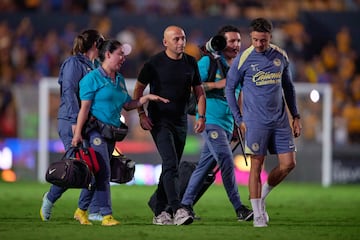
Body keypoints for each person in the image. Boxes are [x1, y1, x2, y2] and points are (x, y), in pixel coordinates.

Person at [71, 39, 169, 226]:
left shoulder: (119, 79)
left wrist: (145, 98)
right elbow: (84, 110)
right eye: (120, 54)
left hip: (111, 133)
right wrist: (77, 135)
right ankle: (106, 215)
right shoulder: (91, 79)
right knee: (104, 172)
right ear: (108, 55)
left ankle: (81, 210)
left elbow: (127, 104)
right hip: (95, 132)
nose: (124, 57)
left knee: (97, 172)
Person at [225, 18, 302, 227]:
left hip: (280, 120)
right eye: (256, 40)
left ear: (270, 37)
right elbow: (229, 89)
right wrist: (238, 119)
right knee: (256, 166)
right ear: (251, 37)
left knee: (289, 164)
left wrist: (295, 116)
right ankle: (258, 214)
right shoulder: (244, 59)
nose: (259, 44)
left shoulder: (280, 56)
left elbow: (289, 88)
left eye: (263, 41)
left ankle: (263, 194)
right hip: (254, 122)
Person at [133, 25, 206, 226]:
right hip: (159, 121)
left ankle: (159, 212)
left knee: (169, 166)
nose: (181, 42)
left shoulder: (191, 62)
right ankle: (177, 209)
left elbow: (199, 92)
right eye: (176, 39)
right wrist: (141, 114)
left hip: (181, 122)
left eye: (183, 38)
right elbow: (138, 89)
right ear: (165, 42)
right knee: (171, 163)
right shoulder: (153, 64)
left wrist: (201, 116)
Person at [180, 25, 253, 223]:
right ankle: (239, 208)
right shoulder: (208, 62)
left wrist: (240, 123)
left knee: (204, 167)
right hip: (210, 119)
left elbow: (239, 94)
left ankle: (184, 205)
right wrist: (217, 85)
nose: (236, 45)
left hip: (229, 125)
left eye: (238, 41)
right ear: (221, 43)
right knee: (226, 160)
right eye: (231, 41)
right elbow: (192, 87)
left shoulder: (239, 66)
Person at [40, 29, 104, 225]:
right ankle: (50, 199)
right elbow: (68, 92)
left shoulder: (95, 66)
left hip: (90, 123)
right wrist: (77, 123)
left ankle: (82, 210)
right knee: (75, 167)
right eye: (101, 41)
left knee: (95, 164)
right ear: (95, 44)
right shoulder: (73, 63)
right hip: (71, 121)